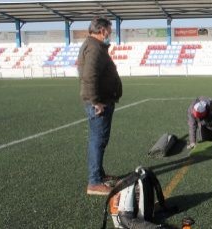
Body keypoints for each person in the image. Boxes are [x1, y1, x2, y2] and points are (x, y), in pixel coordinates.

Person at [78, 17, 122, 195]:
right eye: (109, 32)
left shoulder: (95, 47)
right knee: (98, 140)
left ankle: (99, 175)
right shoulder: (94, 48)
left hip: (102, 100)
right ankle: (94, 182)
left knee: (99, 140)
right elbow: (89, 76)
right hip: (99, 103)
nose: (110, 35)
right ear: (102, 30)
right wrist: (96, 101)